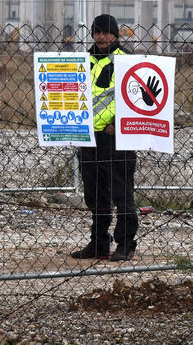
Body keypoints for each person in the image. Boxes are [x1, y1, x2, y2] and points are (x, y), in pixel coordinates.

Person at [70, 14, 138, 262]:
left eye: (106, 32)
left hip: (116, 139)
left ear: (116, 35)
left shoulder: (127, 62)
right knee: (94, 195)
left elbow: (136, 99)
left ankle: (125, 244)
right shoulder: (81, 62)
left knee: (121, 194)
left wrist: (119, 124)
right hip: (87, 137)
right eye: (97, 32)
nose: (101, 37)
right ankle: (99, 243)